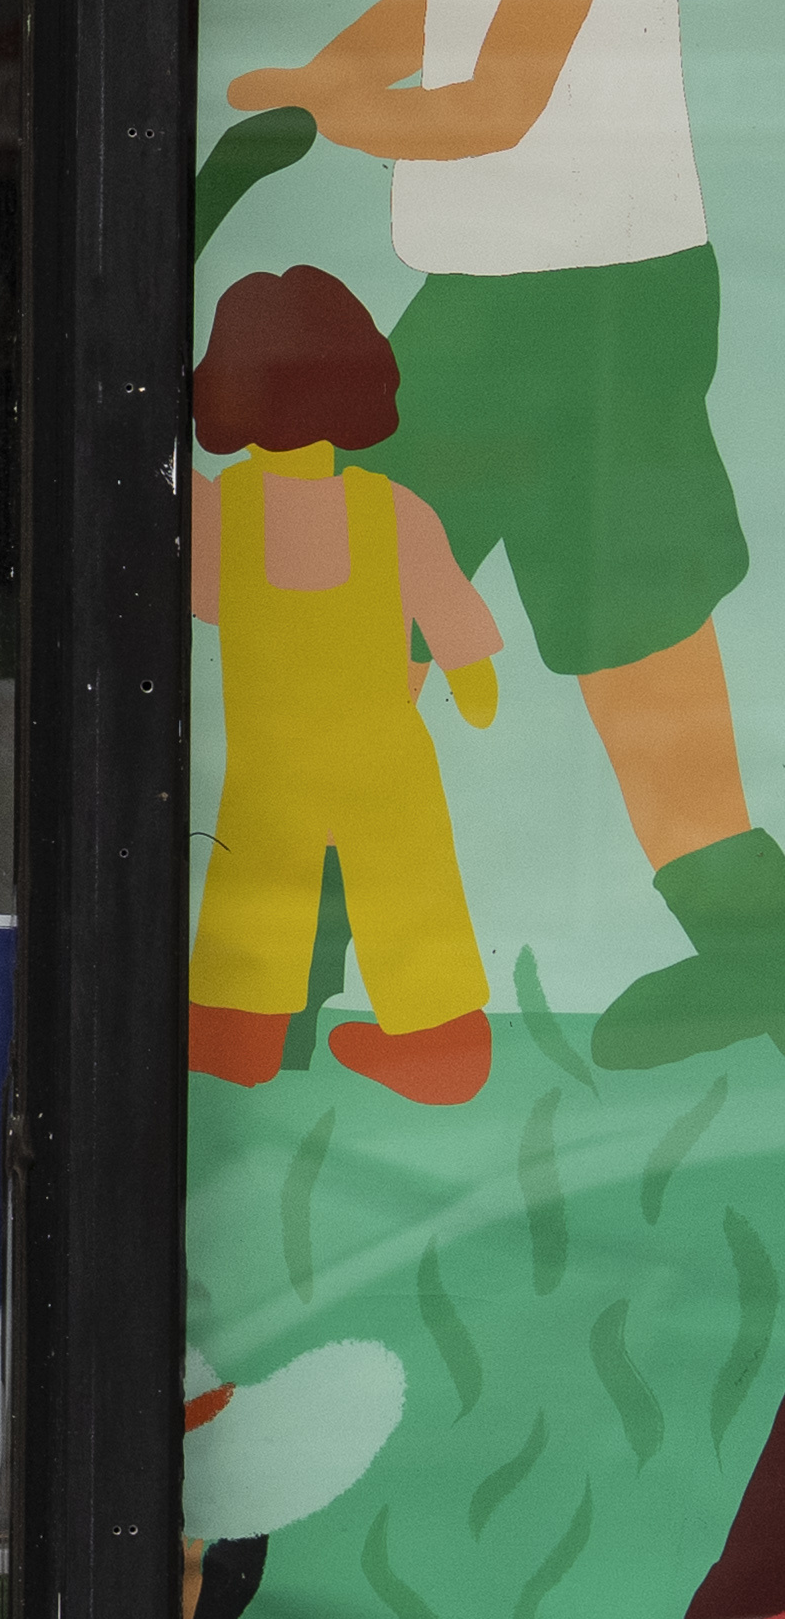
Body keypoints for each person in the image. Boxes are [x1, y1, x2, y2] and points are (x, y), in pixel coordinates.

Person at [223, 0, 777, 1072]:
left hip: (595, 308)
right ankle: (330, 975)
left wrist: (346, 114)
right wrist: (324, 66)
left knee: (633, 645)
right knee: (358, 616)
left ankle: (750, 948)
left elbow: (496, 100)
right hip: (492, 307)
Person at [185, 266, 504, 1104]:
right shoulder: (389, 510)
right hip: (379, 755)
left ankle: (236, 1042)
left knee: (253, 900)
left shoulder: (222, 512)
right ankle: (441, 1048)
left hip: (273, 762)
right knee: (408, 890)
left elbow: (201, 594)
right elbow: (444, 607)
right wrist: (465, 677)